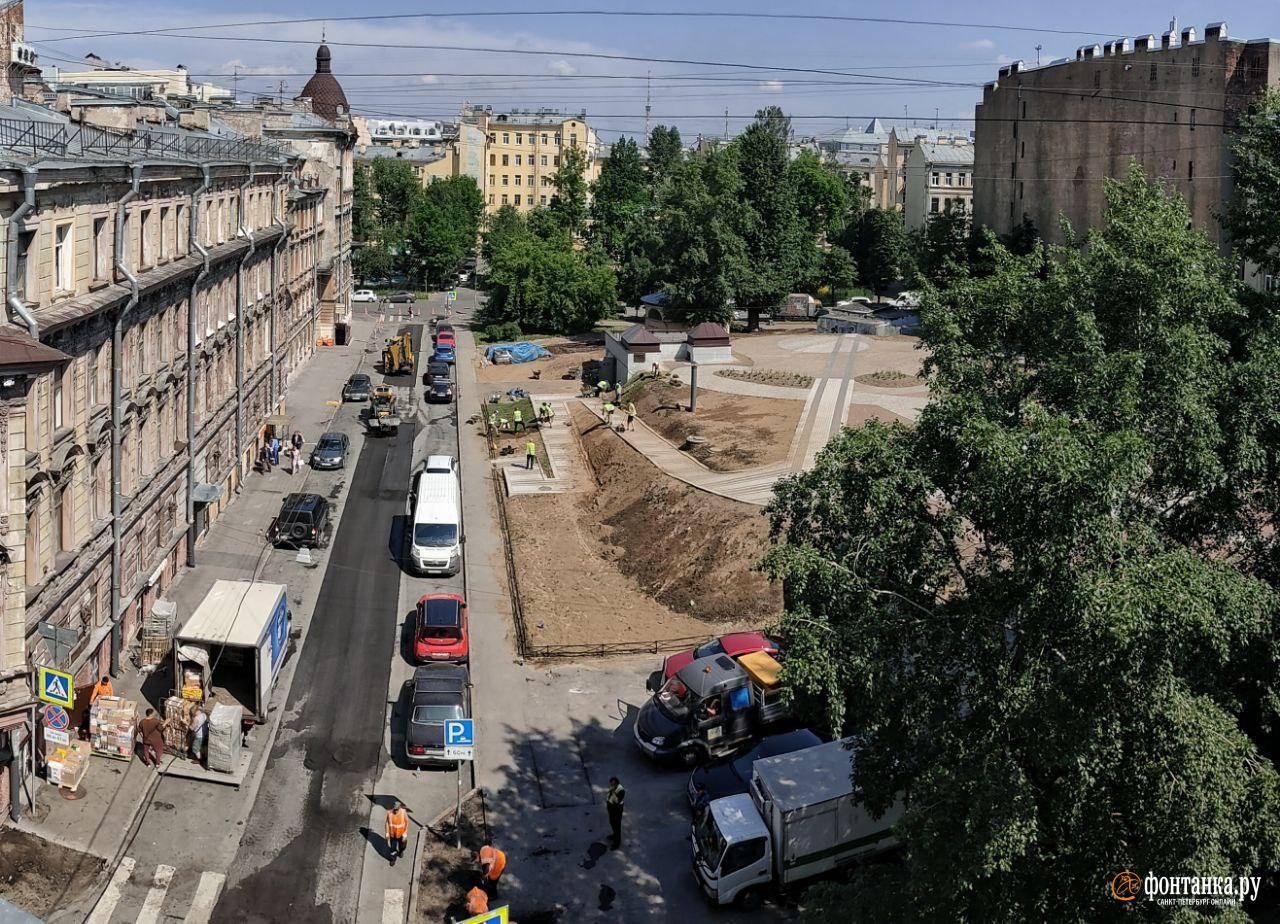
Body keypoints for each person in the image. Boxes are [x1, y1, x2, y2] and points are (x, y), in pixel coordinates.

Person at [385, 801, 409, 866]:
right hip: (393, 835)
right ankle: (393, 859)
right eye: (394, 809)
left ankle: (401, 851)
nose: (395, 811)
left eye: (397, 809)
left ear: (399, 808)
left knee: (403, 846)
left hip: (402, 835)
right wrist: (387, 832)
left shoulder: (403, 812)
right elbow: (387, 823)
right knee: (393, 849)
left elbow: (407, 822)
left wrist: (405, 833)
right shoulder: (389, 813)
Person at [606, 776, 626, 849]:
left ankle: (617, 843)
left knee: (617, 826)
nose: (611, 785)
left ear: (617, 784)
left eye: (613, 784)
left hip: (617, 810)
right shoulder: (612, 787)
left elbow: (617, 801)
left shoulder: (621, 790)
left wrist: (613, 792)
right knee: (612, 822)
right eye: (611, 784)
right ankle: (614, 835)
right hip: (611, 809)